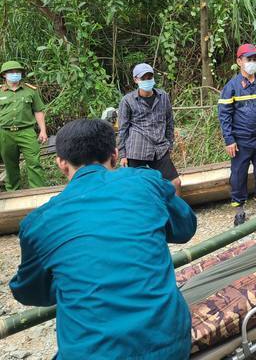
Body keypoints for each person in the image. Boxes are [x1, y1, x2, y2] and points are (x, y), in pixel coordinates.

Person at [10, 118, 197, 359]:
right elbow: (186, 228)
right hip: (169, 345)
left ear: (60, 164)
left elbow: (27, 292)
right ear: (115, 155)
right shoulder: (145, 182)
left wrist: (74, 276)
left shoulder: (38, 222)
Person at [218, 44, 256, 226]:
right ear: (239, 61)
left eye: (255, 59)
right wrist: (229, 140)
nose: (253, 63)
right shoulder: (232, 87)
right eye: (249, 59)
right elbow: (224, 115)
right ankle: (239, 209)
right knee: (238, 175)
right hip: (241, 141)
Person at [118, 63, 181, 195]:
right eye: (144, 78)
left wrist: (169, 143)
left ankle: (177, 213)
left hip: (159, 147)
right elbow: (123, 129)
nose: (147, 80)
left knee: (175, 183)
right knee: (136, 187)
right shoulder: (127, 101)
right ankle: (140, 214)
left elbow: (169, 121)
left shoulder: (163, 96)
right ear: (136, 80)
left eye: (149, 77)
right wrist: (123, 155)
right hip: (136, 149)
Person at [0, 60, 47, 190]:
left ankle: (38, 191)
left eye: (17, 71)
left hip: (26, 131)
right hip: (5, 133)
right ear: (4, 75)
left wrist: (43, 131)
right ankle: (12, 192)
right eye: (11, 72)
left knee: (34, 162)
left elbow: (38, 111)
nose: (15, 74)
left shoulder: (30, 91)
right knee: (10, 164)